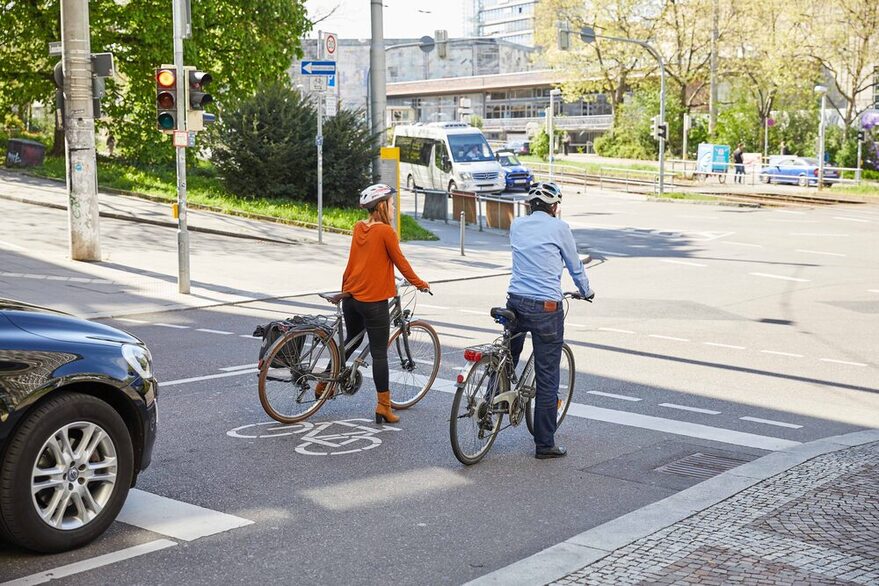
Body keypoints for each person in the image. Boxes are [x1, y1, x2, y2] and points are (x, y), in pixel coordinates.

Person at [506, 182, 593, 459]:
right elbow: (574, 265)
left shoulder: (517, 225)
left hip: (515, 301)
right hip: (546, 308)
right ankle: (545, 444)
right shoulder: (560, 228)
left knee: (509, 356)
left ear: (530, 206)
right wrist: (586, 290)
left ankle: (492, 401)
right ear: (554, 207)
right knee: (547, 377)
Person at [335, 184, 430, 424]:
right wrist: (419, 283)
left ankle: (325, 382)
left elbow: (353, 263)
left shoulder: (359, 228)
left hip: (351, 298)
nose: (394, 206)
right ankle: (383, 407)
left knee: (351, 340)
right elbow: (401, 262)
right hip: (373, 302)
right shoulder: (386, 233)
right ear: (382, 206)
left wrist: (344, 290)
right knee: (379, 355)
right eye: (391, 203)